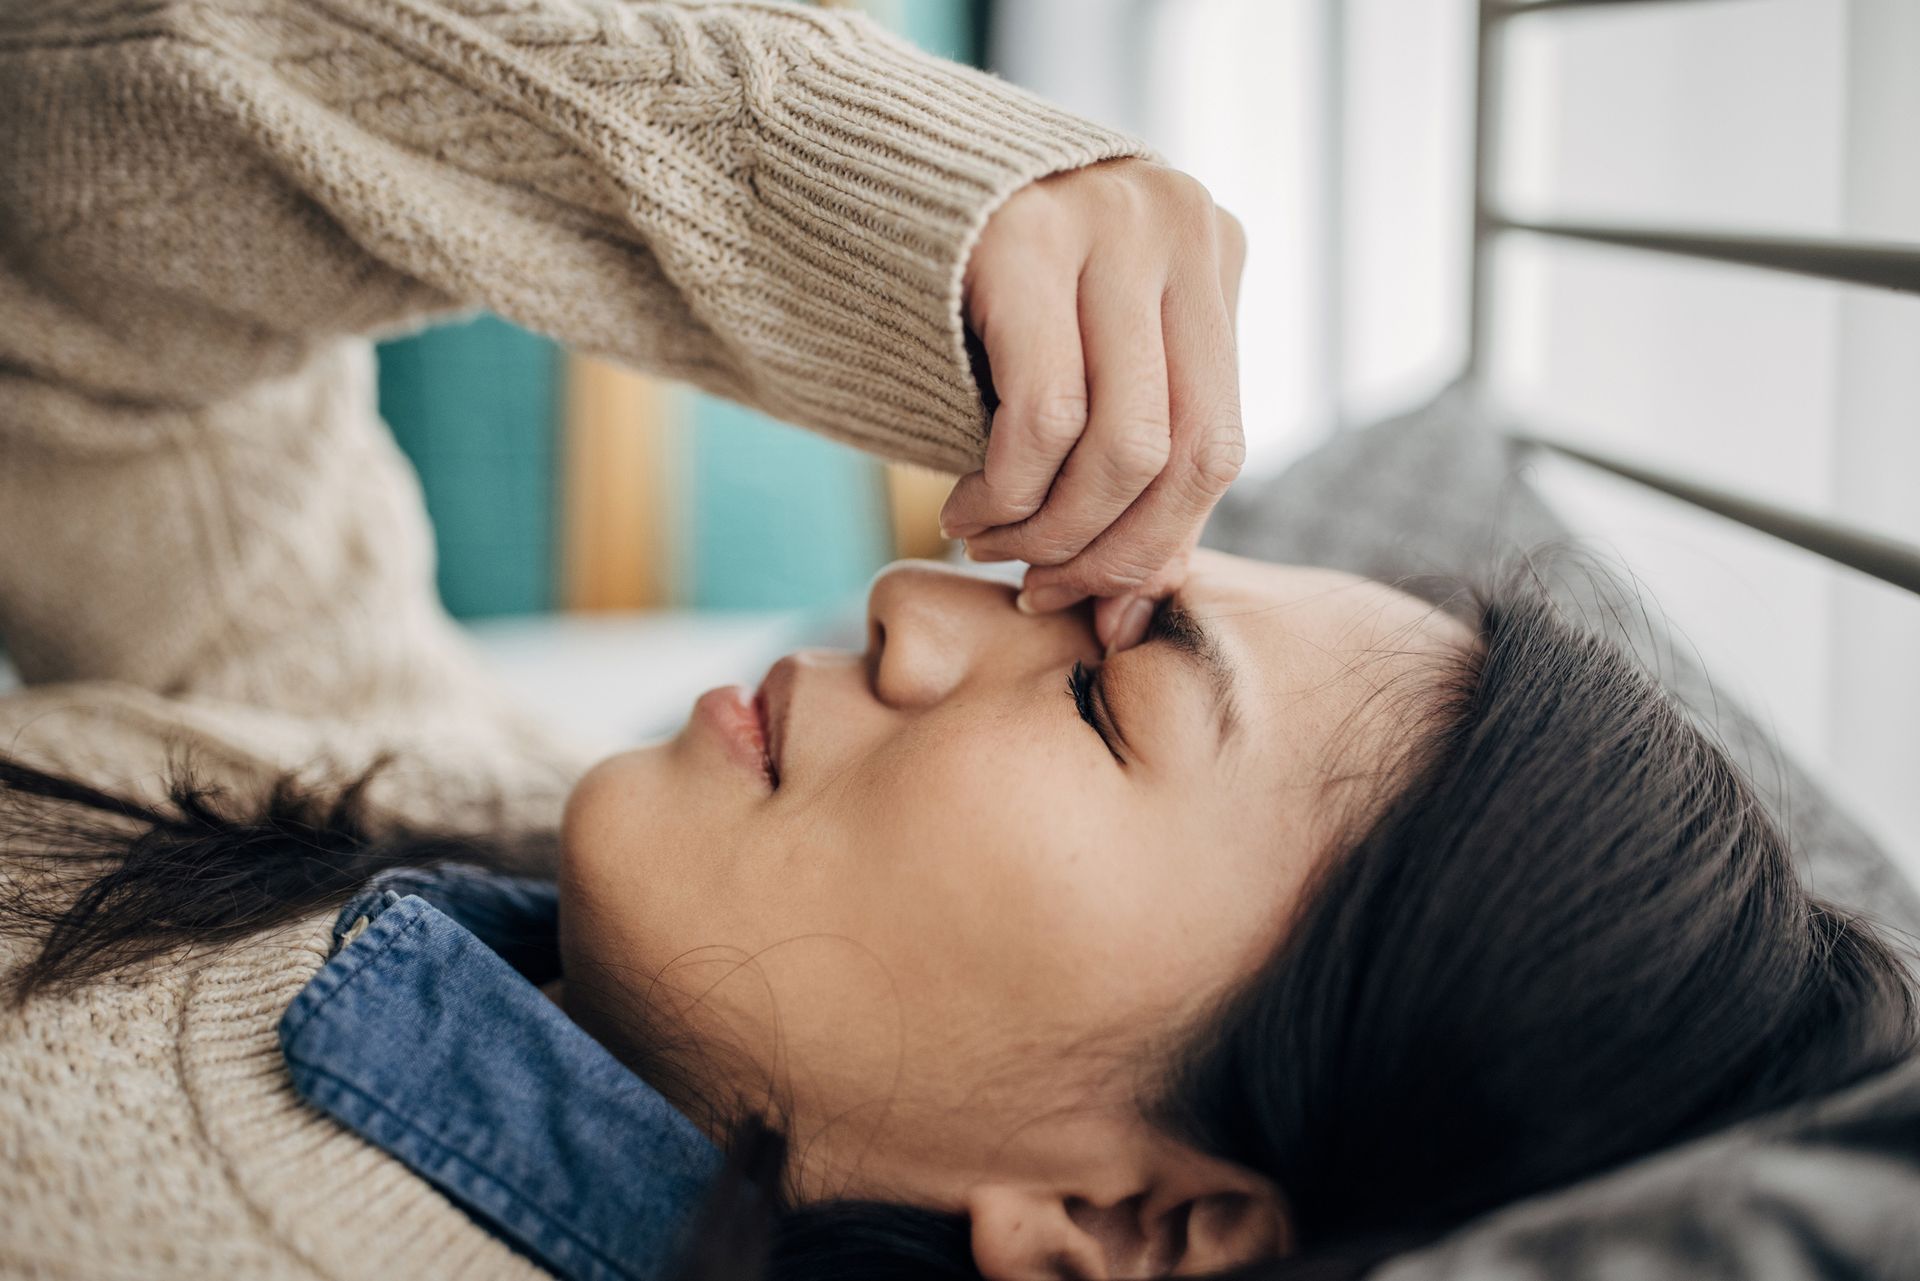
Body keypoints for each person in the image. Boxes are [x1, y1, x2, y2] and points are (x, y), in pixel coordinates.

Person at [0, 4, 1914, 1281]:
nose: (916, 603)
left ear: (1132, 1219)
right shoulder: (434, 807)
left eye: (1097, 693)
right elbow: (75, 241)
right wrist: (891, 197)